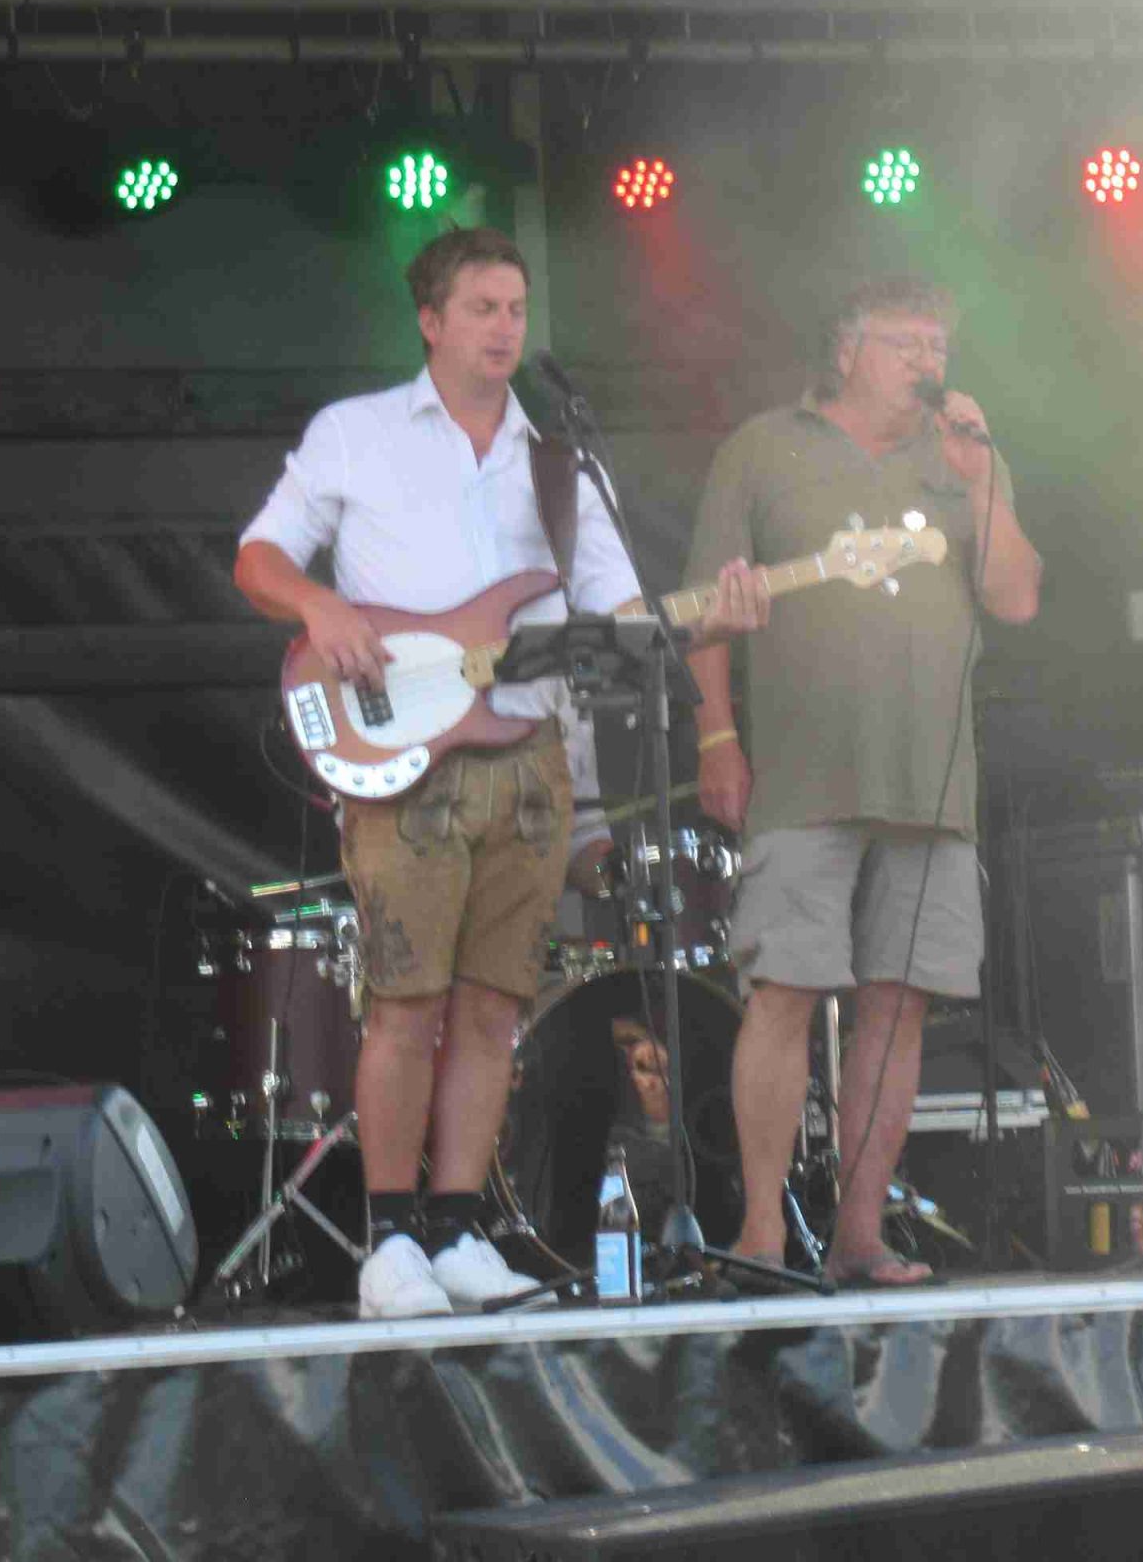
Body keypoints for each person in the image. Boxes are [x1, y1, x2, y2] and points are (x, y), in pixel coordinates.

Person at [235, 224, 767, 1319]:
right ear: (430, 321)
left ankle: (457, 1228)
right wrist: (322, 606)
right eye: (481, 308)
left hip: (530, 761)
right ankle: (389, 1243)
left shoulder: (557, 462)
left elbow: (620, 614)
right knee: (404, 1007)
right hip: (407, 761)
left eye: (516, 310)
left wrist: (712, 615)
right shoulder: (357, 434)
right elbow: (258, 556)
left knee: (492, 1013)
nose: (504, 328)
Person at [685, 275, 1041, 1286]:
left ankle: (859, 1234)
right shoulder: (764, 448)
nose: (927, 364)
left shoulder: (962, 459)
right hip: (803, 775)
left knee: (900, 1005)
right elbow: (704, 612)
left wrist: (981, 480)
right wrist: (718, 739)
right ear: (846, 351)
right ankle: (761, 1233)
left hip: (931, 780)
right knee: (783, 991)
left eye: (937, 346)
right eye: (904, 344)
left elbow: (1016, 599)